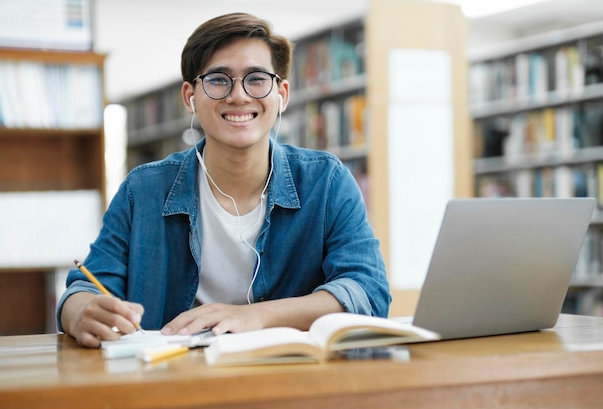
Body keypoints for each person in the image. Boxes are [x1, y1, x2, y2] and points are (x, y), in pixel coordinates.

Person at [56, 12, 391, 348]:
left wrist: (254, 316)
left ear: (282, 94)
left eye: (257, 78)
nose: (239, 96)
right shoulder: (143, 190)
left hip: (294, 381)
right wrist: (81, 311)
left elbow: (368, 291)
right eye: (218, 79)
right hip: (173, 382)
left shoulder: (327, 182)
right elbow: (82, 291)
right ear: (190, 96)